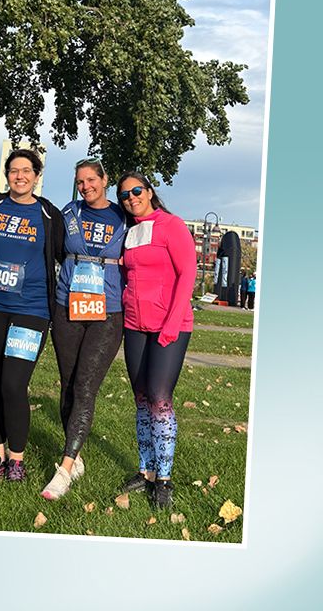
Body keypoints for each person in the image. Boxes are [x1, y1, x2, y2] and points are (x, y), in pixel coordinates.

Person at [0, 149, 64, 482]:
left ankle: (17, 460)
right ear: (7, 175)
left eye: (26, 171)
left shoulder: (48, 213)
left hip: (31, 311)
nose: (19, 176)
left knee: (14, 383)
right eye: (13, 170)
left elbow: (67, 254)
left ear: (37, 176)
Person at [40, 158, 128, 500]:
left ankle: (64, 470)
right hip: (68, 305)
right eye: (80, 181)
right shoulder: (69, 214)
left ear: (105, 180)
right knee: (68, 384)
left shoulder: (123, 216)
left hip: (107, 312)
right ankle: (75, 456)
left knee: (85, 386)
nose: (86, 186)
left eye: (92, 179)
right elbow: (49, 247)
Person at [115, 172, 197, 509]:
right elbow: (130, 273)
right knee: (141, 398)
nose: (131, 198)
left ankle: (164, 479)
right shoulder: (130, 231)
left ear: (149, 192)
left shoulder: (171, 225)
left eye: (137, 190)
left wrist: (172, 323)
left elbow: (188, 272)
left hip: (169, 324)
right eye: (124, 195)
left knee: (160, 398)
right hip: (135, 324)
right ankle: (146, 471)